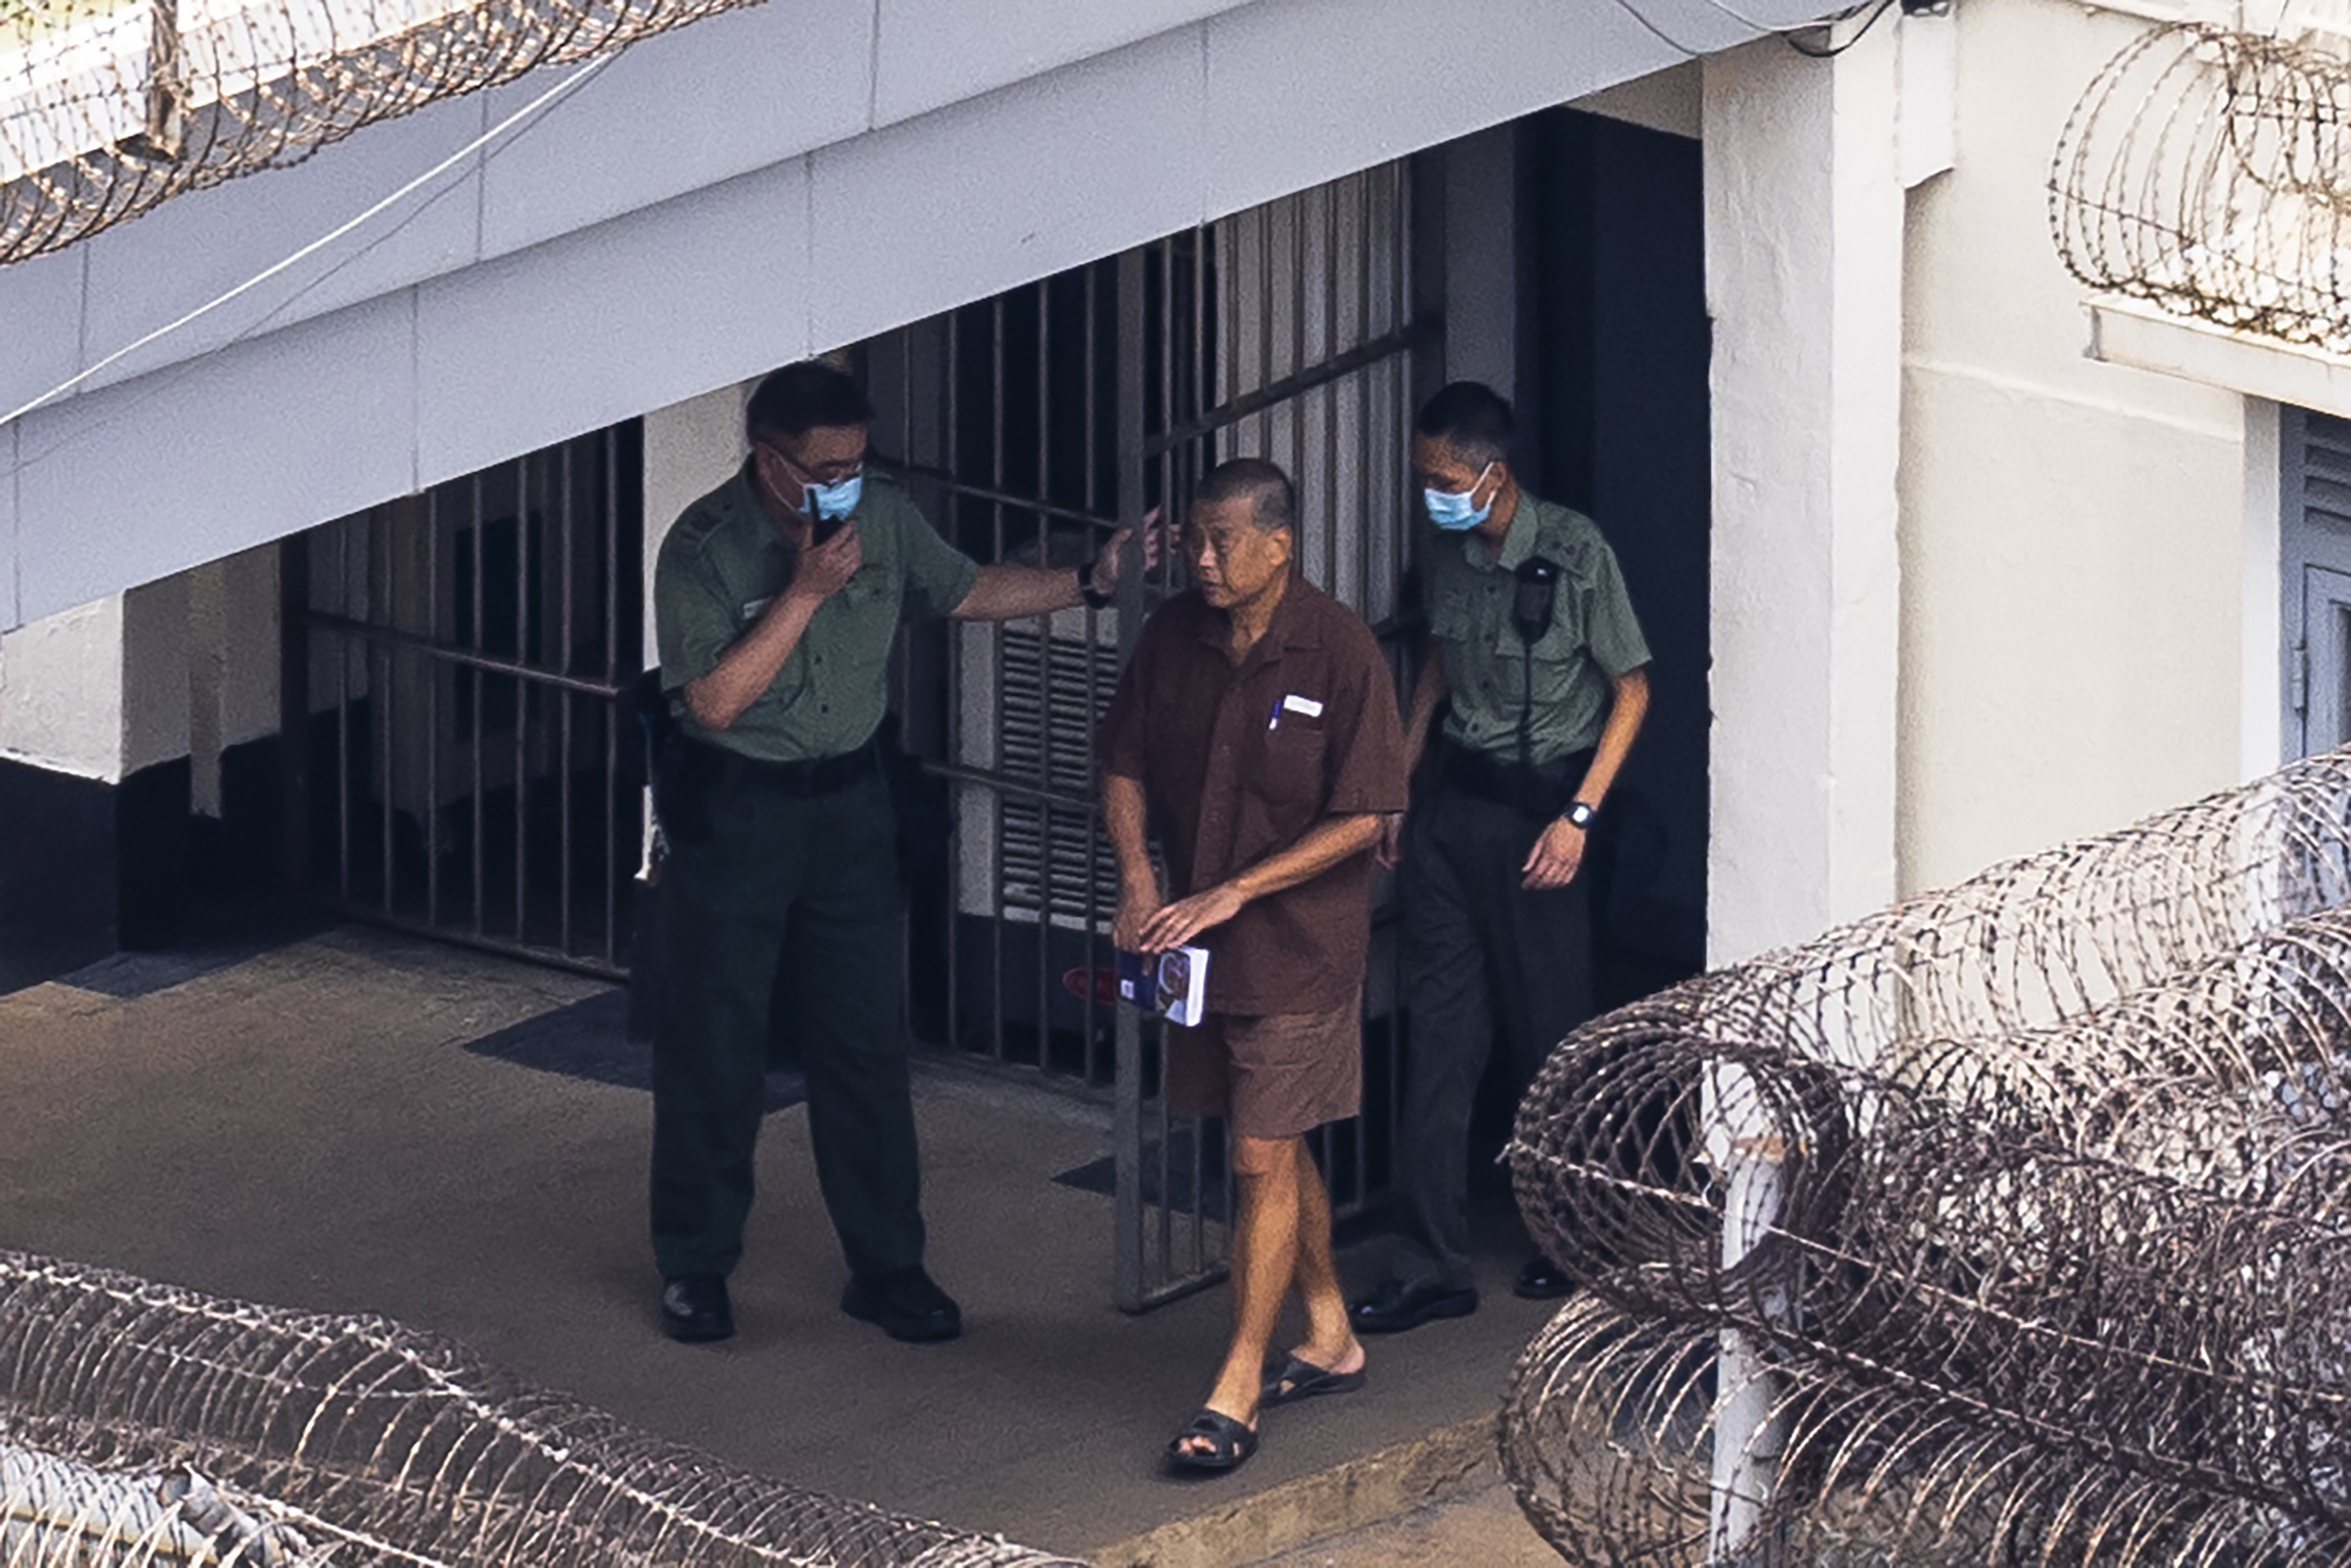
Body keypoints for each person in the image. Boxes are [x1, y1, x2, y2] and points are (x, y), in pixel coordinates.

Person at [650, 360, 1145, 1346]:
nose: (845, 482)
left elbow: (962, 589)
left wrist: (1088, 582)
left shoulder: (881, 515)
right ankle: (696, 1264)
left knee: (866, 1042)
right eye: (824, 466)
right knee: (717, 1044)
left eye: (856, 461)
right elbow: (711, 703)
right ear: (771, 461)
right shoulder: (704, 549)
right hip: (741, 807)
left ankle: (887, 1264)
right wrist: (801, 594)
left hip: (850, 806)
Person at [1099, 457, 1409, 1474]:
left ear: (1281, 545)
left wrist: (1240, 888)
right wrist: (1140, 878)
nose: (1201, 559)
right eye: (1194, 538)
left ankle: (1237, 1385)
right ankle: (1331, 1331)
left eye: (1222, 541)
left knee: (1257, 1158)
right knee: (1266, 1141)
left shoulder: (1341, 652)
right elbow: (1124, 760)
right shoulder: (1174, 637)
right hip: (1198, 946)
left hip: (1304, 950)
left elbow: (1370, 812)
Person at [1349, 381, 1652, 1336]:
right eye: (1425, 478)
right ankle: (1430, 1260)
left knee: (1551, 1041)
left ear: (1494, 473)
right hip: (1456, 812)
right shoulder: (1449, 551)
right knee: (1440, 1043)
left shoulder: (1574, 552)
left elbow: (1633, 690)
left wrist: (1579, 817)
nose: (1433, 494)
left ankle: (1575, 1240)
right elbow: (1438, 665)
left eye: (1446, 479)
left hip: (1542, 819)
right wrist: (1398, 782)